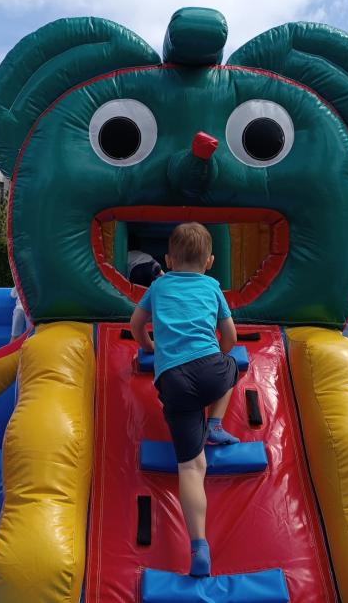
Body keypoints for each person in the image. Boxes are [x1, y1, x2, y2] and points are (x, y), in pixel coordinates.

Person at [129, 222, 239, 578]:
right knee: (231, 367)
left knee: (191, 467)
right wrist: (218, 353)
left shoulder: (159, 285)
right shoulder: (212, 286)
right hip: (211, 370)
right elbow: (230, 337)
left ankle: (199, 546)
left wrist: (149, 346)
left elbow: (136, 324)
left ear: (168, 260)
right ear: (209, 261)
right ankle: (216, 423)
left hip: (173, 379)